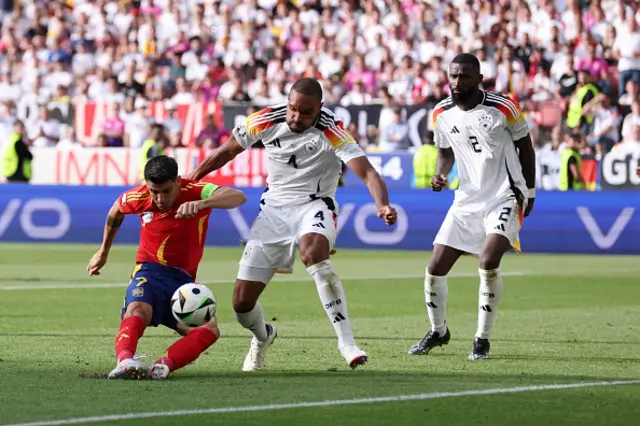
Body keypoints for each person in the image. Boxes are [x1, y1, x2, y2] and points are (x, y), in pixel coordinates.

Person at [188, 78, 397, 371]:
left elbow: (368, 173)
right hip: (273, 211)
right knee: (241, 304)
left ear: (320, 108)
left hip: (315, 204)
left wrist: (382, 204)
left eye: (306, 112)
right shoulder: (264, 120)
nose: (297, 117)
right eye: (293, 109)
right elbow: (225, 152)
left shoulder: (332, 130)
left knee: (313, 252)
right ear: (287, 102)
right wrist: (191, 179)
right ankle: (263, 337)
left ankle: (347, 343)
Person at [408, 54, 536, 360]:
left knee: (488, 261)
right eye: (453, 76)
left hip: (505, 194)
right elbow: (445, 151)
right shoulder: (441, 112)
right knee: (434, 269)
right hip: (466, 200)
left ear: (478, 79)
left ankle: (482, 339)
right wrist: (441, 173)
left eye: (464, 76)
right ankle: (438, 331)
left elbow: (526, 148)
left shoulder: (503, 107)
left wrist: (528, 192)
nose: (457, 82)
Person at [87, 155, 247, 380]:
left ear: (178, 182)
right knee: (138, 310)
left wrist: (202, 204)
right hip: (150, 271)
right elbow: (116, 210)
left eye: (166, 191)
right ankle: (124, 362)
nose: (159, 198)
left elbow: (238, 197)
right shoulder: (138, 196)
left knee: (209, 330)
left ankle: (163, 366)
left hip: (183, 283)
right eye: (154, 191)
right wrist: (103, 251)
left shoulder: (195, 191)